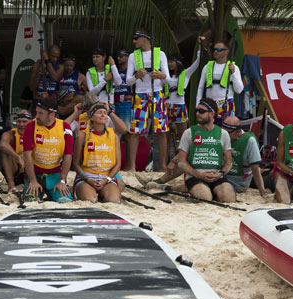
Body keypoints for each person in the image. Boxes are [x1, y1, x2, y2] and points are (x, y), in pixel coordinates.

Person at [126, 28, 170, 171]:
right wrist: (136, 76)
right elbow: (128, 81)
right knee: (135, 131)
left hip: (157, 93)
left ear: (145, 38)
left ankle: (162, 165)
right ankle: (132, 166)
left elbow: (168, 80)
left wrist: (162, 76)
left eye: (136, 38)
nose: (134, 41)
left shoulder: (160, 54)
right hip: (140, 95)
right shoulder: (133, 56)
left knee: (161, 130)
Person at [175, 98, 234, 203]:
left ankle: (208, 190)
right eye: (197, 110)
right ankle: (190, 188)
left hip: (216, 176)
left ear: (212, 114)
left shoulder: (223, 134)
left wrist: (220, 174)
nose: (197, 113)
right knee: (205, 198)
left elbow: (229, 161)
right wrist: (197, 174)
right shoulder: (189, 132)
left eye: (201, 111)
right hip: (195, 176)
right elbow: (181, 161)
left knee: (229, 199)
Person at [22, 96, 74, 203]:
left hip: (55, 174)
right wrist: (32, 180)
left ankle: (51, 193)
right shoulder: (31, 126)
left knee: (65, 201)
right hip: (35, 174)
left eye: (40, 113)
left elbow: (68, 156)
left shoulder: (65, 127)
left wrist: (62, 180)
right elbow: (27, 155)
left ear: (52, 114)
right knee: (31, 201)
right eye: (36, 112)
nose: (36, 116)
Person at [73, 103, 122, 203]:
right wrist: (88, 179)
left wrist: (106, 180)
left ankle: (104, 191)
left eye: (105, 113)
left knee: (114, 200)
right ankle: (93, 191)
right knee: (90, 200)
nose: (103, 115)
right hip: (86, 177)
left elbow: (118, 164)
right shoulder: (82, 136)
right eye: (99, 112)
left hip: (106, 177)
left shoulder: (114, 136)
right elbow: (75, 164)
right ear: (91, 118)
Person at [196, 40, 244, 124]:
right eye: (214, 49)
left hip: (226, 103)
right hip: (210, 104)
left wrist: (233, 73)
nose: (215, 52)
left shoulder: (233, 67)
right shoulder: (207, 67)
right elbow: (200, 87)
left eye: (218, 50)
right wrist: (198, 105)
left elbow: (239, 90)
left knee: (227, 129)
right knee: (209, 128)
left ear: (226, 52)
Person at [165, 42, 203, 141]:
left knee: (183, 136)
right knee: (166, 137)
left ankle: (182, 155)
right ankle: (167, 156)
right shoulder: (166, 75)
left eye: (171, 62)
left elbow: (197, 63)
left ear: (178, 62)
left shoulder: (186, 73)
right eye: (168, 62)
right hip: (167, 106)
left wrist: (200, 46)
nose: (169, 64)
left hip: (179, 106)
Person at [221, 116, 266, 197]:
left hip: (238, 184)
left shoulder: (249, 140)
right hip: (223, 178)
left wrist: (262, 192)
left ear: (238, 132)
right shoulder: (223, 137)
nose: (224, 135)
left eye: (227, 133)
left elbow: (255, 169)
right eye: (222, 132)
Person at [0, 109, 32, 191]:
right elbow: (3, 144)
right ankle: (11, 185)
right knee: (5, 152)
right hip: (16, 170)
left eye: (24, 122)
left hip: (31, 171)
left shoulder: (37, 133)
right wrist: (18, 157)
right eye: (18, 122)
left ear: (31, 122)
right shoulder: (10, 134)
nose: (21, 124)